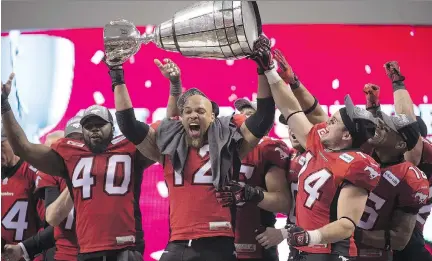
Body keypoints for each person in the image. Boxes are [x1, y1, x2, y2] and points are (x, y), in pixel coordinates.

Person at [106, 35, 276, 261]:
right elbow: (128, 124)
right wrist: (117, 76)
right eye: (188, 111)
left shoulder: (229, 143)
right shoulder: (167, 145)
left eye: (200, 111)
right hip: (179, 243)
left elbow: (263, 117)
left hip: (219, 242)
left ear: (214, 117)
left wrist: (262, 69)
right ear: (181, 117)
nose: (193, 115)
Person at [2, 72, 153, 261]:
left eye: (100, 124)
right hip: (86, 251)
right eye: (89, 126)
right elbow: (22, 148)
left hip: (126, 247)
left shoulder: (129, 149)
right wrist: (4, 105)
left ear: (113, 129)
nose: (95, 129)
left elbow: (158, 137)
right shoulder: (70, 156)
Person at [255, 45, 381, 261]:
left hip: (329, 253)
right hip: (304, 250)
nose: (327, 121)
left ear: (346, 137)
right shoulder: (321, 143)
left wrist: (310, 237)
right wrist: (270, 71)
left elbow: (346, 224)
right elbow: (291, 109)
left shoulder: (356, 165)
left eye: (334, 121)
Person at [364, 62, 432, 261]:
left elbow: (407, 124)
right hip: (379, 233)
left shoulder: (418, 156)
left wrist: (398, 83)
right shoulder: (386, 154)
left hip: (406, 237)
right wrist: (374, 109)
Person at [354, 110, 429, 261]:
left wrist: (353, 234)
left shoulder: (409, 178)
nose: (380, 127)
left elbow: (399, 240)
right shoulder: (363, 151)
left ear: (400, 144)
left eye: (386, 128)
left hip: (374, 255)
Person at [1, 125, 45, 259]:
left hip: (27, 255)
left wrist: (28, 250)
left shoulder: (33, 173)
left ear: (14, 142)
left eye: (1, 145)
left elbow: (48, 224)